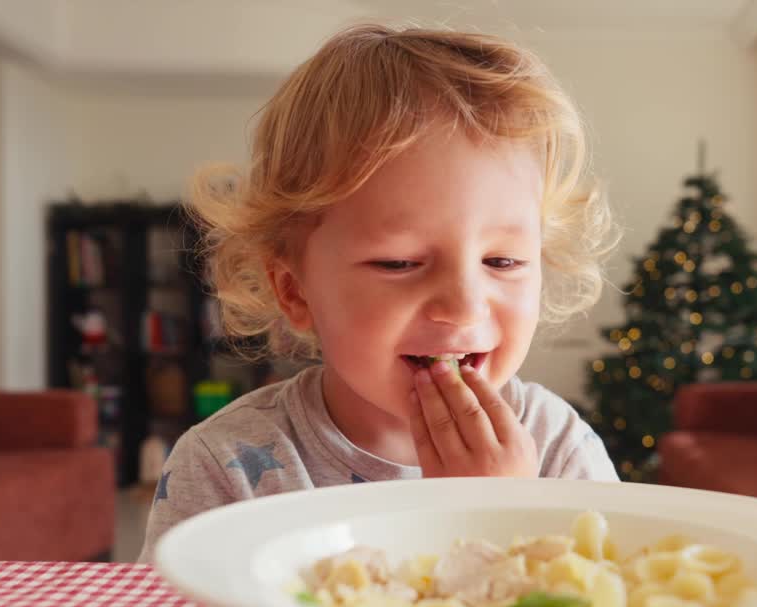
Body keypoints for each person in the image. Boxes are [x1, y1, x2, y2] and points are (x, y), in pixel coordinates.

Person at [138, 23, 621, 563]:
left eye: (502, 261)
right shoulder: (225, 466)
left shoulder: (558, 447)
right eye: (400, 262)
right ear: (295, 291)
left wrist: (504, 511)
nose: (464, 306)